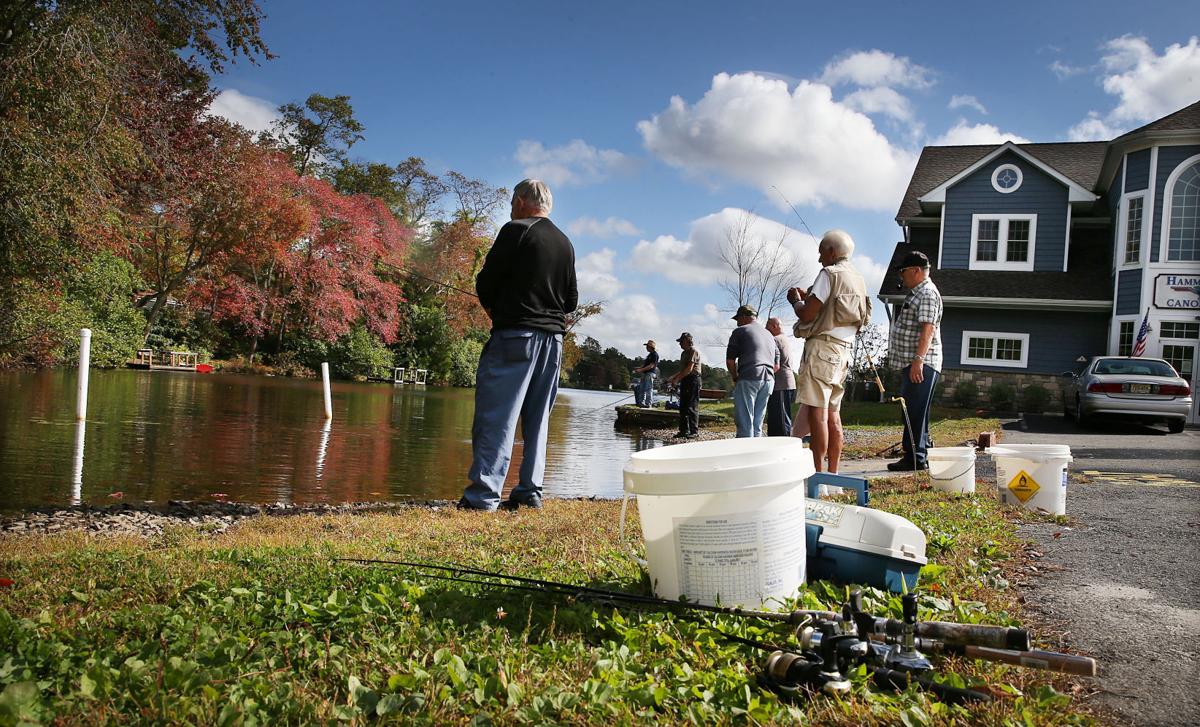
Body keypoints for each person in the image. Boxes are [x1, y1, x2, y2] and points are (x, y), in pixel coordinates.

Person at [460, 179, 577, 511]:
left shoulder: (515, 230)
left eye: (513, 201)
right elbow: (570, 301)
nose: (511, 208)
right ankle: (530, 491)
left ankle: (482, 497)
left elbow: (486, 283)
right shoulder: (565, 242)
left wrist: (498, 311)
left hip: (515, 338)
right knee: (538, 419)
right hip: (553, 343)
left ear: (524, 201)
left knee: (496, 416)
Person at [788, 229, 871, 473]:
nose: (819, 258)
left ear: (832, 252)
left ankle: (818, 475)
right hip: (843, 352)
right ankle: (833, 475)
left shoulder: (828, 273)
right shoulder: (858, 279)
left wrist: (796, 300)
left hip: (823, 348)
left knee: (818, 414)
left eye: (821, 252)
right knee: (834, 416)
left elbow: (807, 313)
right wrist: (810, 297)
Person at [886, 250, 943, 471]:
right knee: (913, 409)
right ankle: (921, 451)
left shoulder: (927, 293)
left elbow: (928, 328)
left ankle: (915, 458)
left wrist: (918, 360)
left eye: (904, 271)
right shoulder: (918, 292)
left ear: (916, 271)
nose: (901, 276)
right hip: (915, 363)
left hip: (921, 363)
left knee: (914, 411)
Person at [726, 305, 780, 438]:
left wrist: (735, 377)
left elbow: (730, 361)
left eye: (738, 319)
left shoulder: (740, 331)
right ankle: (756, 452)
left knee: (745, 421)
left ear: (744, 317)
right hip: (768, 380)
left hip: (749, 376)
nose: (737, 323)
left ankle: (744, 455)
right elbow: (777, 364)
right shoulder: (769, 334)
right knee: (757, 423)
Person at [664, 332, 702, 438]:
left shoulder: (694, 351)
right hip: (685, 380)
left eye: (681, 341)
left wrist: (676, 380)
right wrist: (672, 377)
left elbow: (689, 369)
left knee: (691, 406)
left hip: (693, 380)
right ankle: (683, 431)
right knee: (683, 406)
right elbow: (683, 370)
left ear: (687, 341)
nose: (679, 344)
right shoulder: (683, 353)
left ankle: (694, 432)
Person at [764, 317, 796, 436]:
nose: (765, 329)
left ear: (774, 326)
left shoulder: (775, 340)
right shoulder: (785, 339)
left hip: (781, 383)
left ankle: (784, 440)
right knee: (778, 416)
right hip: (785, 382)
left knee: (781, 418)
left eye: (767, 326)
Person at [632, 340, 659, 408]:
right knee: (642, 389)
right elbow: (645, 365)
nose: (646, 347)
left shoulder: (655, 355)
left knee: (648, 389)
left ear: (650, 347)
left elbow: (651, 366)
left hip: (650, 374)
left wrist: (640, 370)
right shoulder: (649, 355)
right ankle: (641, 403)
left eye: (647, 346)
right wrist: (638, 368)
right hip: (645, 374)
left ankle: (648, 404)